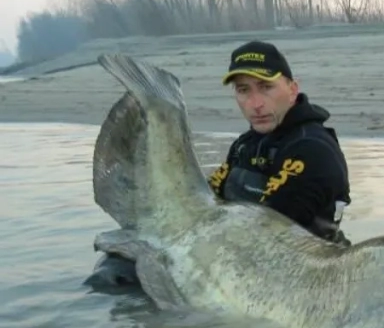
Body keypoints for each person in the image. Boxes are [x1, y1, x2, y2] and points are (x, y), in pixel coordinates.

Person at [88, 40, 353, 288]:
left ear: (292, 89)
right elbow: (212, 195)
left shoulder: (312, 149)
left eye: (266, 87)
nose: (255, 104)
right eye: (243, 90)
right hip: (235, 254)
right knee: (115, 268)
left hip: (298, 275)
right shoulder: (245, 145)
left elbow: (268, 230)